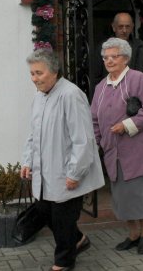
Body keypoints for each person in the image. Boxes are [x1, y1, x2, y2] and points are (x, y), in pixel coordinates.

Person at [21, 49, 105, 271]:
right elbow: (33, 133)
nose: (34, 78)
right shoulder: (39, 97)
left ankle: (64, 262)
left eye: (39, 73)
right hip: (44, 170)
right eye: (31, 73)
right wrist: (27, 161)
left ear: (54, 71)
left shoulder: (71, 94)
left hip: (66, 171)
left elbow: (83, 140)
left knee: (62, 219)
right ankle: (77, 239)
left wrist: (74, 173)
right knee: (44, 211)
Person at [90, 37, 143, 255]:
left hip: (138, 150)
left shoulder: (138, 79)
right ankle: (132, 234)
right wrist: (95, 145)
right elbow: (94, 119)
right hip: (113, 152)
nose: (109, 61)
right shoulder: (101, 87)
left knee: (138, 195)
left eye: (114, 57)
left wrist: (126, 124)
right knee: (121, 197)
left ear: (125, 58)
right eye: (105, 57)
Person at [111, 12, 143, 85]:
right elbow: (97, 78)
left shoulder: (141, 47)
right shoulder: (104, 48)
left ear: (132, 27)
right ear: (113, 27)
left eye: (127, 26)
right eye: (121, 27)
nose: (124, 30)